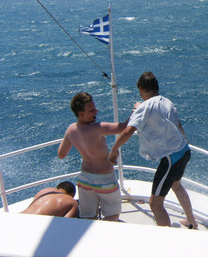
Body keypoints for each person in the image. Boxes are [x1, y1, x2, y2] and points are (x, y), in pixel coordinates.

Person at [108, 71, 197, 229]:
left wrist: (114, 149)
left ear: (141, 88)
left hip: (171, 158)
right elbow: (178, 125)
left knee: (155, 204)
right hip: (184, 150)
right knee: (176, 185)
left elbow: (128, 130)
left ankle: (165, 240)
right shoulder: (167, 102)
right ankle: (191, 220)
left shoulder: (145, 106)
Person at [58, 92, 130, 221]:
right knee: (112, 216)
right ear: (81, 114)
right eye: (92, 110)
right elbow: (124, 127)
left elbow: (61, 155)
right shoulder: (97, 128)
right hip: (105, 180)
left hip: (85, 179)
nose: (96, 110)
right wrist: (137, 109)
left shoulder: (71, 130)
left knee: (88, 217)